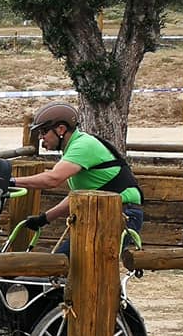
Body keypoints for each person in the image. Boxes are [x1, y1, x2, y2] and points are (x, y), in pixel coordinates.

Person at [11, 102, 143, 254]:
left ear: (61, 129)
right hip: (105, 211)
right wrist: (44, 219)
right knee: (64, 265)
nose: (41, 137)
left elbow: (52, 179)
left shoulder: (82, 145)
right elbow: (77, 197)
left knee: (69, 266)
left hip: (121, 214)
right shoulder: (75, 147)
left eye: (44, 131)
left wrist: (13, 181)